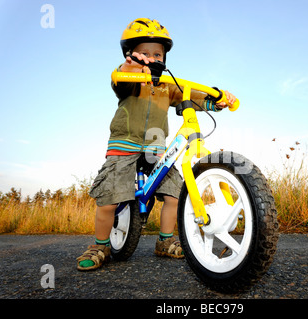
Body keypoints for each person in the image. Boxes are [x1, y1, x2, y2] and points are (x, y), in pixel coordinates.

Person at [77, 18, 236, 271]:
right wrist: (131, 69)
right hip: (125, 144)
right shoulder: (126, 76)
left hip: (156, 150)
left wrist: (215, 99)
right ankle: (100, 245)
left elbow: (192, 96)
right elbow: (122, 80)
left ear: (164, 58)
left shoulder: (166, 86)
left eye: (157, 53)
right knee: (108, 199)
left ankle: (165, 240)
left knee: (174, 193)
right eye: (143, 53)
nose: (151, 58)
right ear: (129, 54)